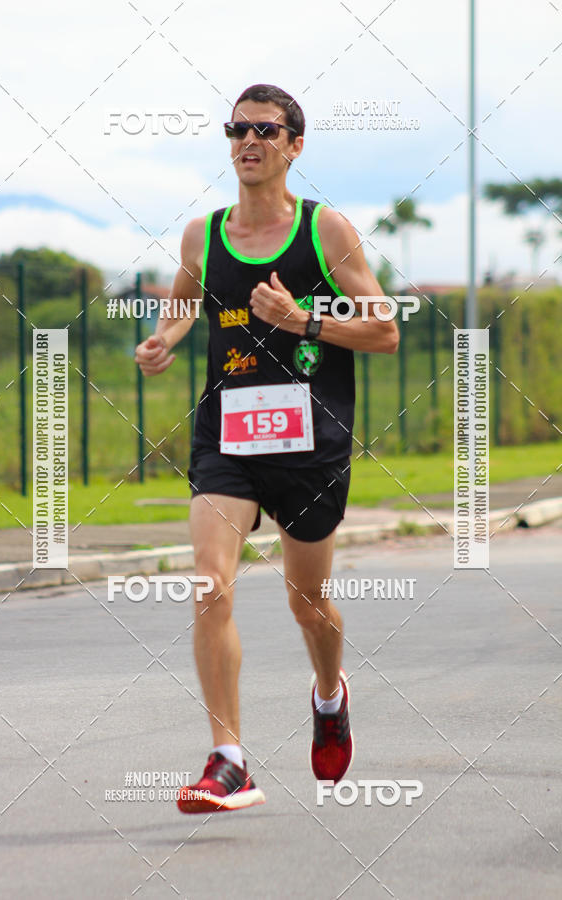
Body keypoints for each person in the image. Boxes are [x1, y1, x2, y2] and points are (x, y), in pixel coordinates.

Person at [135, 83, 399, 814]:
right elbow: (186, 301)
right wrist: (164, 339)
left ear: (294, 145)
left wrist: (301, 320)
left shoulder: (327, 231)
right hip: (228, 433)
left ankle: (328, 693)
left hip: (310, 440)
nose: (248, 140)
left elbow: (384, 330)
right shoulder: (202, 233)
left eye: (265, 130)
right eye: (237, 129)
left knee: (307, 602)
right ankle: (229, 761)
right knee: (210, 584)